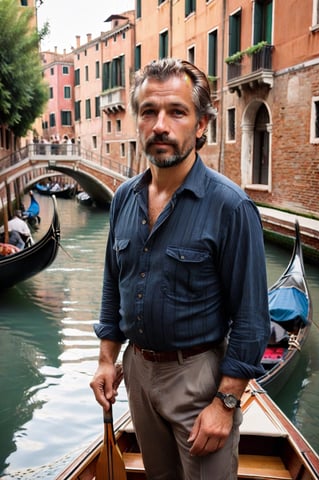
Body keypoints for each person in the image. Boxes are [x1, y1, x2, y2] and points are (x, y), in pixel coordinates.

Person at [90, 58, 270, 480]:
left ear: (202, 124)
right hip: (136, 372)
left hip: (199, 378)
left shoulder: (231, 206)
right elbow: (112, 288)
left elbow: (251, 318)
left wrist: (225, 403)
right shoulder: (122, 200)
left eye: (177, 111)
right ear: (138, 121)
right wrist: (105, 360)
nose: (160, 125)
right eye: (149, 111)